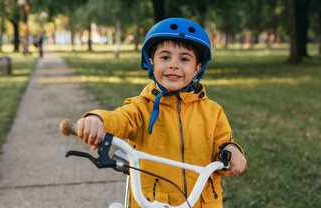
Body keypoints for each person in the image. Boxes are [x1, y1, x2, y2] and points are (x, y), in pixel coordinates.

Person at [77, 18, 247, 208]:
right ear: (151, 62)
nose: (174, 65)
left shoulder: (213, 112)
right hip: (155, 202)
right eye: (165, 57)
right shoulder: (141, 107)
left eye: (184, 59)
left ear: (197, 68)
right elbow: (119, 119)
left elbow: (224, 143)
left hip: (202, 202)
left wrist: (232, 151)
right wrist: (97, 119)